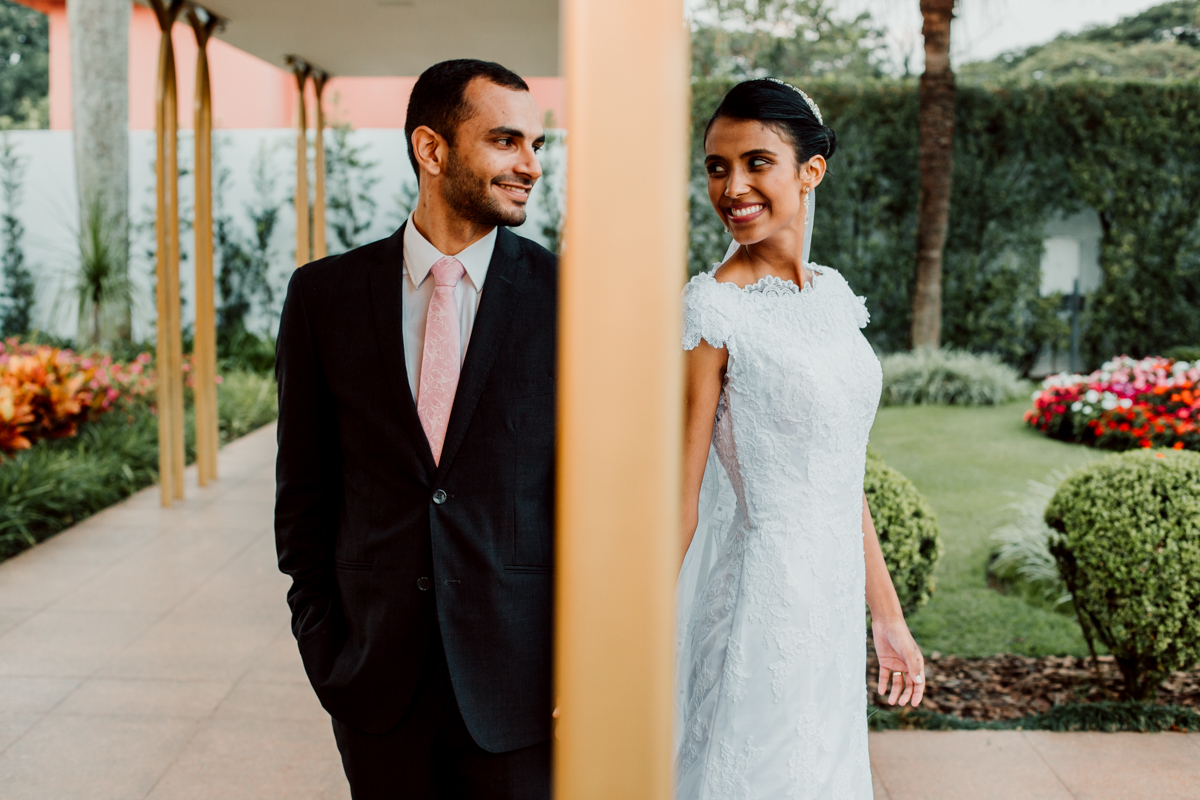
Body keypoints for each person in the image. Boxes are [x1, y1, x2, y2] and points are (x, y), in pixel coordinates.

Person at [274, 59, 557, 800]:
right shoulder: (322, 297)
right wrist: (328, 651)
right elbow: (303, 497)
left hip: (519, 694)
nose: (530, 165)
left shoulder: (571, 302)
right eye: (505, 141)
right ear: (432, 151)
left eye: (536, 144)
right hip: (374, 685)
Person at [676, 78, 924, 799]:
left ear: (810, 171)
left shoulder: (835, 298)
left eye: (757, 162)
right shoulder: (713, 310)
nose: (733, 186)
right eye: (718, 167)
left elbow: (841, 478)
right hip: (761, 608)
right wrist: (626, 643)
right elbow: (681, 500)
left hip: (832, 605)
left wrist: (888, 619)